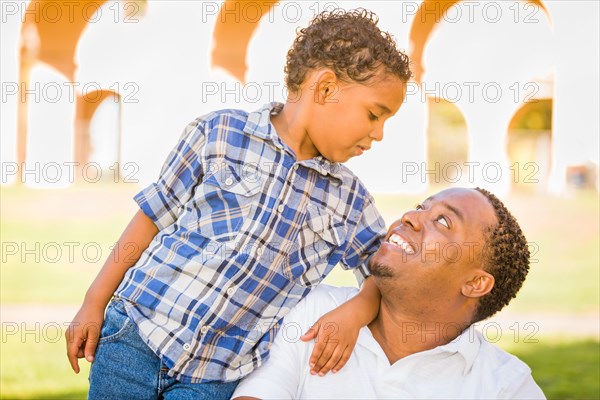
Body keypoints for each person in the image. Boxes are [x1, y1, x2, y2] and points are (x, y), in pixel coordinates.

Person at [65, 8, 412, 399]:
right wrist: (93, 302)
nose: (379, 134)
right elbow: (150, 217)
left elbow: (386, 274)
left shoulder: (350, 201)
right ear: (326, 87)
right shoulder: (218, 132)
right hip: (136, 334)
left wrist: (358, 309)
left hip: (216, 376)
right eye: (373, 114)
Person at [233, 187, 546, 399]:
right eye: (421, 207)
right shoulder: (314, 313)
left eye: (442, 221)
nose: (410, 217)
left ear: (475, 283)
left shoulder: (506, 387)